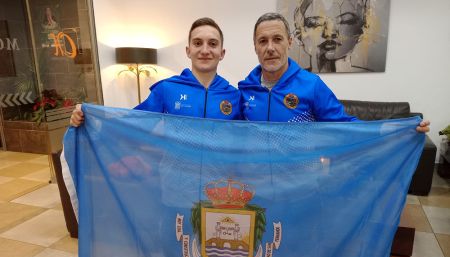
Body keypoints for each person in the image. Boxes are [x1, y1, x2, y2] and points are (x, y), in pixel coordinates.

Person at [238, 12, 430, 132]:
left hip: (300, 185)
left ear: (289, 42)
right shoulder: (245, 90)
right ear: (255, 46)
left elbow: (346, 125)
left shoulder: (312, 85)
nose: (270, 48)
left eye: (277, 39)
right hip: (257, 186)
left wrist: (400, 128)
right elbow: (227, 131)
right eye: (262, 41)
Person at [70, 17, 241, 126]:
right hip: (174, 177)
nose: (205, 50)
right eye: (197, 43)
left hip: (217, 180)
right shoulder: (167, 89)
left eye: (212, 44)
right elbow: (131, 121)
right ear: (188, 51)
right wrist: (89, 117)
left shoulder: (234, 95)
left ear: (222, 53)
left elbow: (248, 138)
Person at [292, 0, 371, 72]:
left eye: (345, 21)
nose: (330, 33)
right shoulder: (293, 83)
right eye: (315, 23)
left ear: (361, 32)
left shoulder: (369, 80)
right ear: (298, 36)